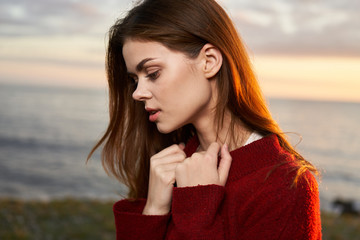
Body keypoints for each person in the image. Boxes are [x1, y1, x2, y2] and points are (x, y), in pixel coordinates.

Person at [88, 0, 322, 239]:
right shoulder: (168, 167)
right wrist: (154, 210)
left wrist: (197, 207)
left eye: (152, 73)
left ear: (209, 61)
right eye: (134, 81)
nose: (137, 93)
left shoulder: (284, 185)